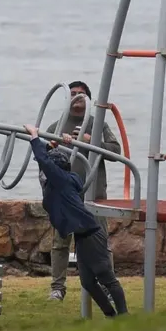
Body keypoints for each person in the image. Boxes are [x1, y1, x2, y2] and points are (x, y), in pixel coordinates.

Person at [24, 122, 128, 317]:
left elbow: (44, 161)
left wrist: (34, 136)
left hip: (90, 233)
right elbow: (43, 162)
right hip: (82, 236)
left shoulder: (61, 181)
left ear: (56, 170)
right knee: (87, 282)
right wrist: (51, 146)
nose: (46, 169)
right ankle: (111, 315)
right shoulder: (57, 181)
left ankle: (123, 316)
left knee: (105, 275)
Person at [44, 80, 123, 301]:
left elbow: (116, 151)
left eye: (81, 94)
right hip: (64, 196)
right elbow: (44, 157)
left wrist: (91, 140)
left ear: (88, 100)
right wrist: (58, 144)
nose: (77, 97)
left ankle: (108, 285)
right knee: (60, 243)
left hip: (93, 194)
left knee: (100, 242)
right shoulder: (56, 127)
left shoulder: (98, 125)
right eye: (73, 94)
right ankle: (57, 288)